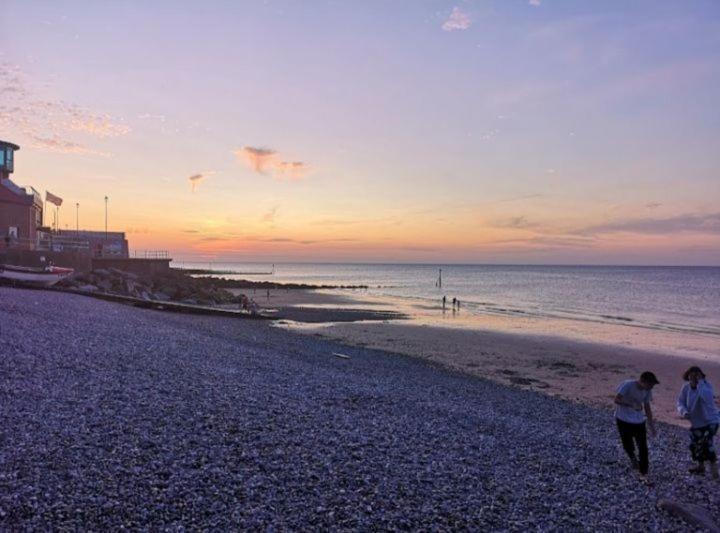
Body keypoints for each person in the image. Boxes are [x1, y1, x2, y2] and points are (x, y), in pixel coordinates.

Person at [614, 371, 659, 483]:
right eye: (650, 385)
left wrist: (651, 425)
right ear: (643, 381)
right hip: (623, 419)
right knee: (627, 444)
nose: (651, 388)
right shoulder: (628, 385)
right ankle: (633, 458)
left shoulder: (647, 391)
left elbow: (647, 407)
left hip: (638, 421)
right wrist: (630, 405)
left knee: (643, 446)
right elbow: (617, 399)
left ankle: (644, 472)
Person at [677, 366, 719, 478]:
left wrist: (700, 383)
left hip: (711, 421)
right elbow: (680, 402)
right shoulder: (685, 388)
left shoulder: (706, 386)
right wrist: (684, 412)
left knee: (707, 443)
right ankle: (700, 466)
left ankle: (714, 470)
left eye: (697, 376)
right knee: (694, 444)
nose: (694, 378)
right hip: (696, 423)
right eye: (691, 376)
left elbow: (707, 398)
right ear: (688, 376)